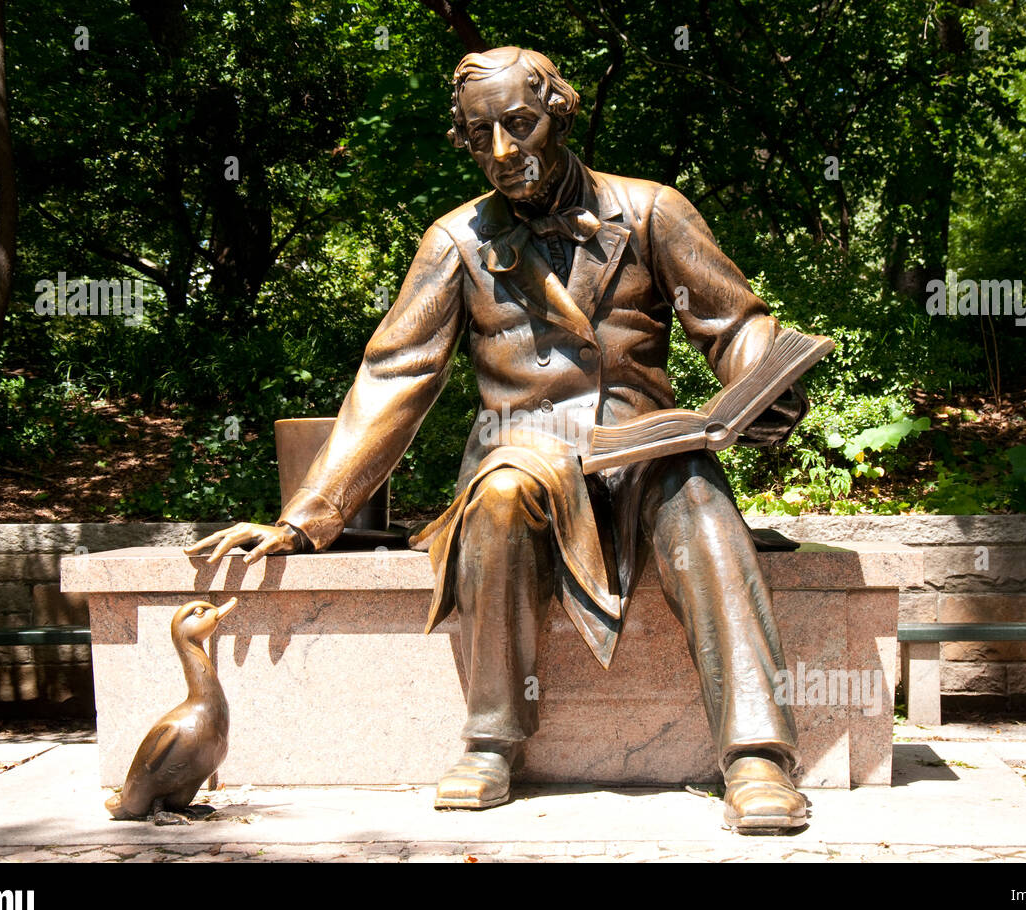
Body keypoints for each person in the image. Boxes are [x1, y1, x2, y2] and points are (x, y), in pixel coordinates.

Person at [187, 47, 812, 831]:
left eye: (519, 125)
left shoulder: (652, 210)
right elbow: (394, 376)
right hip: (525, 451)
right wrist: (307, 514)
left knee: (695, 486)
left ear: (561, 113)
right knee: (503, 492)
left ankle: (756, 755)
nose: (503, 153)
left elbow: (735, 325)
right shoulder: (454, 240)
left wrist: (767, 387)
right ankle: (491, 737)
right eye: (481, 136)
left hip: (641, 448)